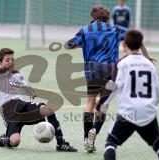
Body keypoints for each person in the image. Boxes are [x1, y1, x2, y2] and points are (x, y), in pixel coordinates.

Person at [65, 4, 153, 153]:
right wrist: (147, 57)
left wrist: (83, 45)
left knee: (90, 102)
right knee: (103, 105)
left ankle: (87, 138)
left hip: (91, 71)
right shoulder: (115, 29)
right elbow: (137, 39)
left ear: (93, 17)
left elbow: (68, 45)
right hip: (109, 71)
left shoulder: (86, 30)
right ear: (107, 17)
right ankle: (95, 130)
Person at [0, 48, 77, 152]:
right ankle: (3, 140)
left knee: (48, 110)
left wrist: (30, 91)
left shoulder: (16, 73)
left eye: (12, 59)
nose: (11, 62)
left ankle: (61, 143)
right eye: (7, 60)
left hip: (21, 105)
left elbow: (24, 84)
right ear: (0, 62)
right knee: (15, 142)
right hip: (9, 111)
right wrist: (3, 69)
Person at [99, 30, 159, 160]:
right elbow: (158, 90)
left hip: (128, 112)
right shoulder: (150, 64)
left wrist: (103, 104)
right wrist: (151, 104)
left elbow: (114, 86)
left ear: (124, 44)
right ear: (141, 44)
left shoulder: (122, 63)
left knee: (110, 143)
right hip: (148, 113)